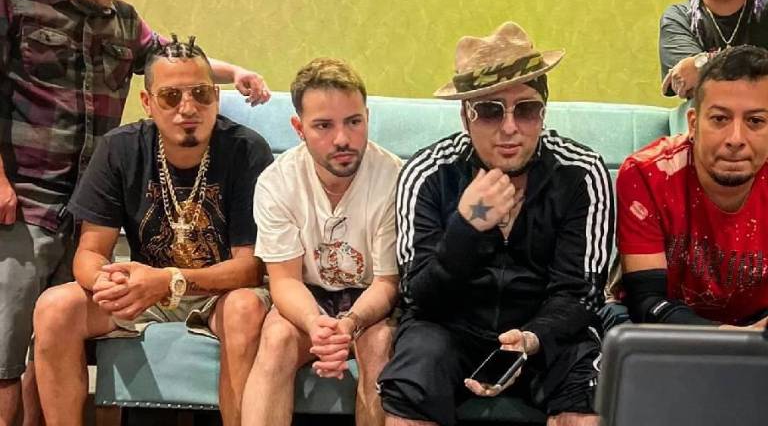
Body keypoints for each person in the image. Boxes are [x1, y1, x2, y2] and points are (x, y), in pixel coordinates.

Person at [0, 0, 269, 423]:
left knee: (42, 340)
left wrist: (235, 73)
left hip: (98, 211)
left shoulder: (125, 23)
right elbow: (93, 255)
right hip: (24, 195)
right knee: (13, 344)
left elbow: (171, 59)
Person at [377, 22, 614, 426]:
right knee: (413, 376)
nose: (509, 128)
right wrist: (467, 228)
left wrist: (531, 339)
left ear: (543, 112)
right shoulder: (428, 173)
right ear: (465, 117)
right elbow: (419, 297)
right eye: (489, 111)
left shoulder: (581, 173)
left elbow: (579, 294)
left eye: (526, 109)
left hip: (544, 333)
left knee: (586, 393)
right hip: (449, 328)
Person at [32, 36, 273, 426]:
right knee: (54, 308)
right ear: (148, 102)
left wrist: (170, 281)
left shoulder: (247, 150)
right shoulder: (120, 149)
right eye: (171, 97)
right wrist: (108, 282)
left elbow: (251, 268)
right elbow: (90, 252)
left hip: (220, 293)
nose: (188, 108)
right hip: (145, 291)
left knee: (245, 308)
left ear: (215, 96)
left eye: (200, 94)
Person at [242, 58, 401, 426]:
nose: (342, 139)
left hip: (371, 301)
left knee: (379, 345)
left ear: (367, 118)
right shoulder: (276, 183)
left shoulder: (394, 178)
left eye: (354, 122)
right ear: (299, 128)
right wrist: (316, 324)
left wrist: (350, 324)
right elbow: (284, 280)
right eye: (324, 126)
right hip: (306, 295)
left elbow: (387, 282)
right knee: (277, 339)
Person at [618, 45, 768, 329]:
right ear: (693, 124)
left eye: (755, 121)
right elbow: (646, 300)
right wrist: (731, 339)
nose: (736, 138)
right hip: (667, 330)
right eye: (720, 119)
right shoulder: (647, 174)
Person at [660, 0, 766, 131]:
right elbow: (692, 82)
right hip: (711, 130)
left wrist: (703, 62)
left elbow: (703, 75)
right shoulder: (679, 18)